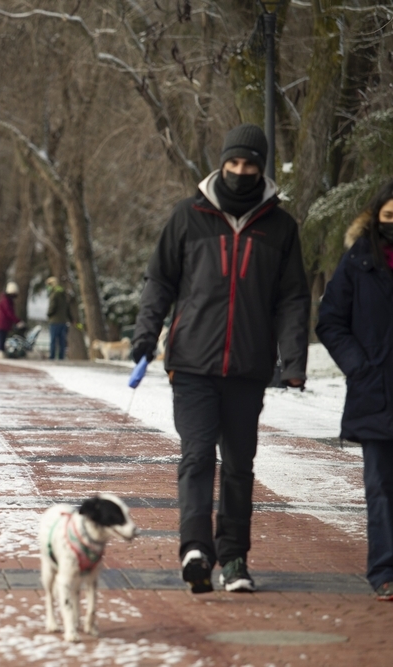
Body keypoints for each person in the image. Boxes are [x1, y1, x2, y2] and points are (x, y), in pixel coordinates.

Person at [131, 123, 309, 594]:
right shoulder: (188, 216)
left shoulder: (280, 227)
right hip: (191, 363)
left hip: (249, 367)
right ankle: (195, 549)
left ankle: (233, 558)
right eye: (234, 162)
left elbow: (292, 299)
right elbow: (159, 282)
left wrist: (293, 360)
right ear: (222, 162)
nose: (240, 171)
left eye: (250, 164)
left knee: (238, 466)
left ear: (260, 168)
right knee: (195, 456)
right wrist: (145, 337)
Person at [316, 180, 393, 602]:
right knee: (381, 486)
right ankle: (384, 571)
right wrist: (358, 366)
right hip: (376, 391)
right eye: (388, 217)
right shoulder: (359, 260)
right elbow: (330, 320)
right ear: (376, 216)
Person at [0, 282, 21, 359]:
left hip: (2, 324)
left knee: (1, 342)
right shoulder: (5, 301)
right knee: (1, 342)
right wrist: (17, 321)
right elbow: (9, 313)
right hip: (1, 324)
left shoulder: (5, 299)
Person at [45, 276, 72, 360]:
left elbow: (52, 307)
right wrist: (70, 319)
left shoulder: (54, 294)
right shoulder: (63, 294)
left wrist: (48, 314)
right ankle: (61, 357)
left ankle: (52, 356)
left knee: (53, 340)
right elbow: (67, 308)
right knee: (62, 341)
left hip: (54, 321)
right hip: (63, 321)